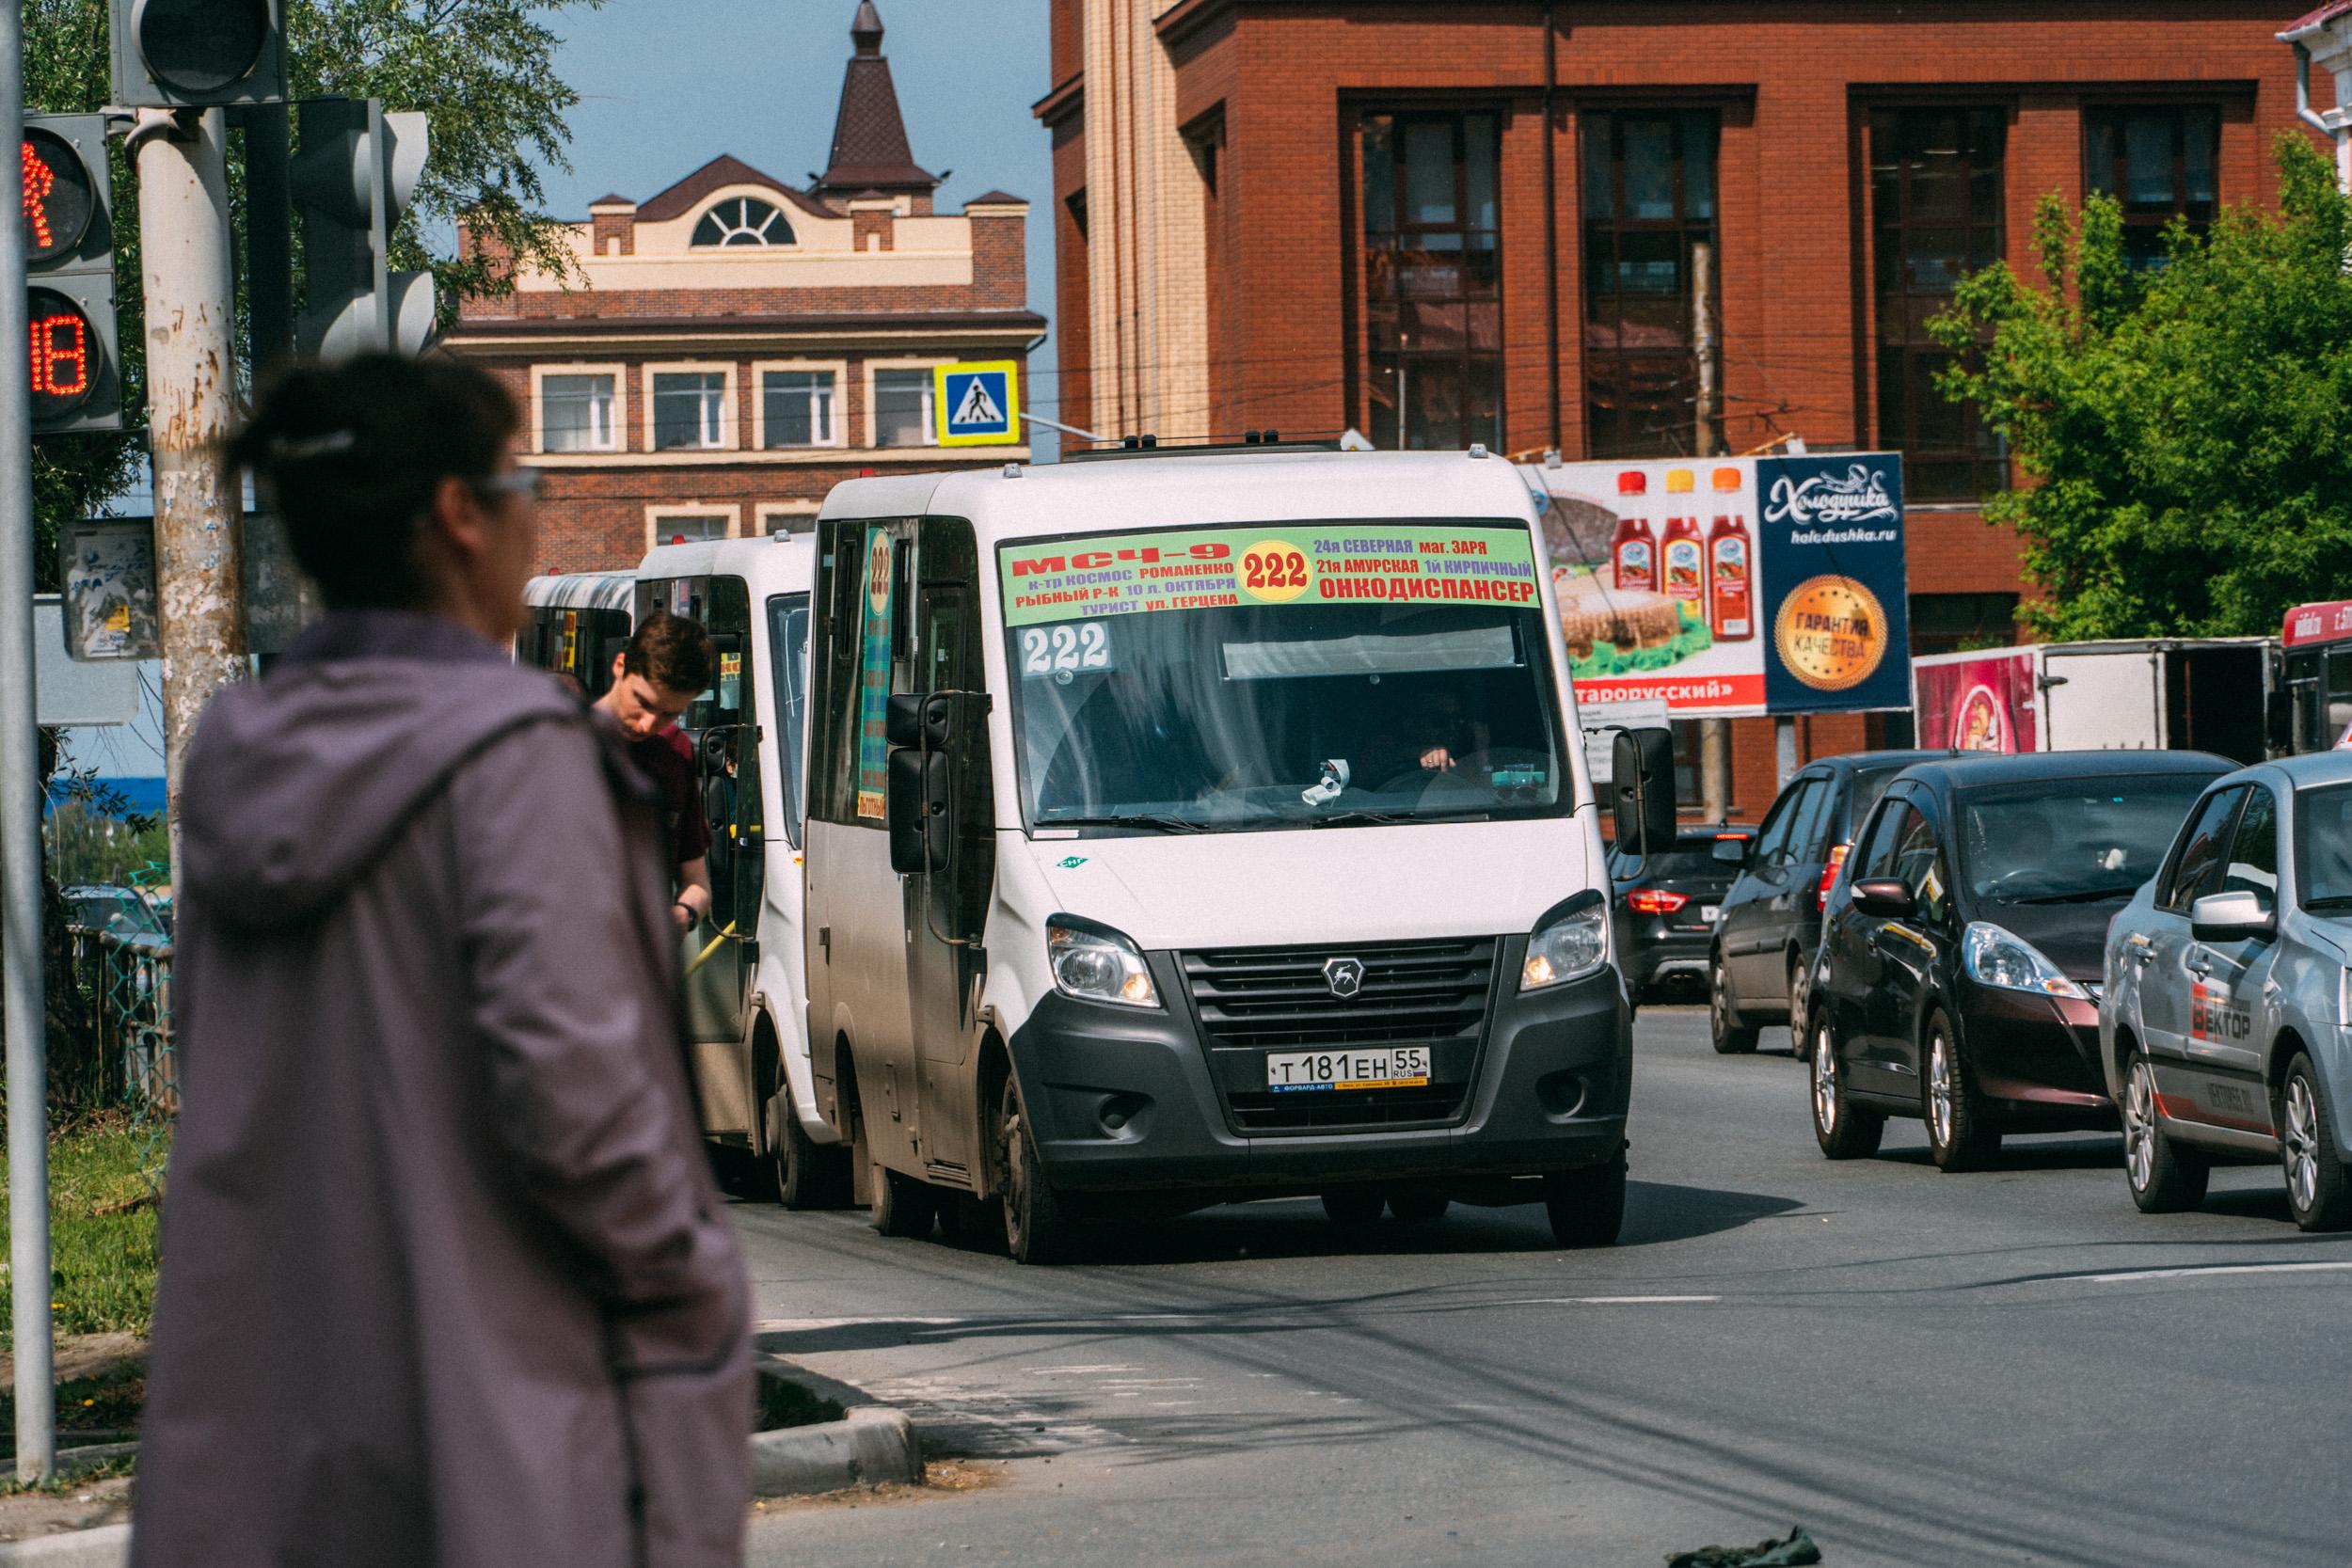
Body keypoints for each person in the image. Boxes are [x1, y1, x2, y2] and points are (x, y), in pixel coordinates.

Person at [131, 355, 752, 1568]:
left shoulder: (240, 764)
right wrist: (701, 1303)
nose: (535, 506)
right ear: (461, 517)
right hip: (495, 1437)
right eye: (523, 477)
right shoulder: (521, 766)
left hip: (262, 1435)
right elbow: (594, 1129)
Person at [594, 610, 717, 931]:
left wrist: (684, 915)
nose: (648, 724)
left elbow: (697, 883)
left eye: (669, 714)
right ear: (620, 666)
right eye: (643, 703)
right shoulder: (560, 742)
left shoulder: (675, 751)